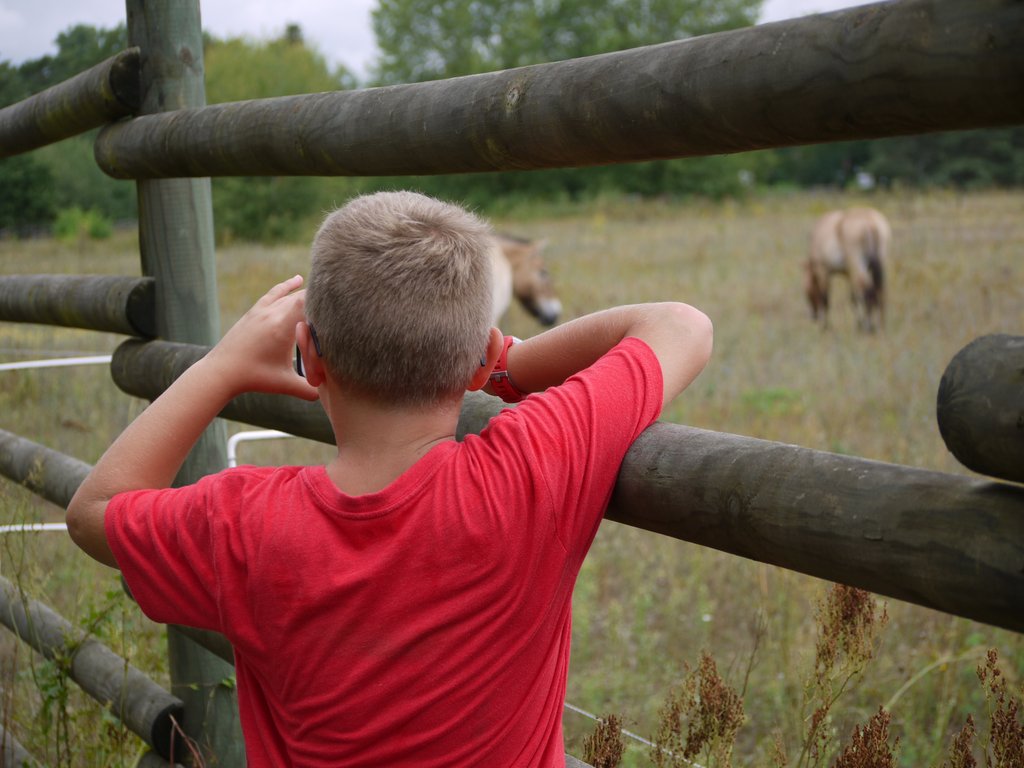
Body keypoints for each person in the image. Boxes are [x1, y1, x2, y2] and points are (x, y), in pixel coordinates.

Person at [66, 190, 713, 767]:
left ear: (310, 356)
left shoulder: (245, 523)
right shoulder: (529, 469)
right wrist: (502, 367)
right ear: (477, 359)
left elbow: (95, 511)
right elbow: (681, 325)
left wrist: (224, 366)